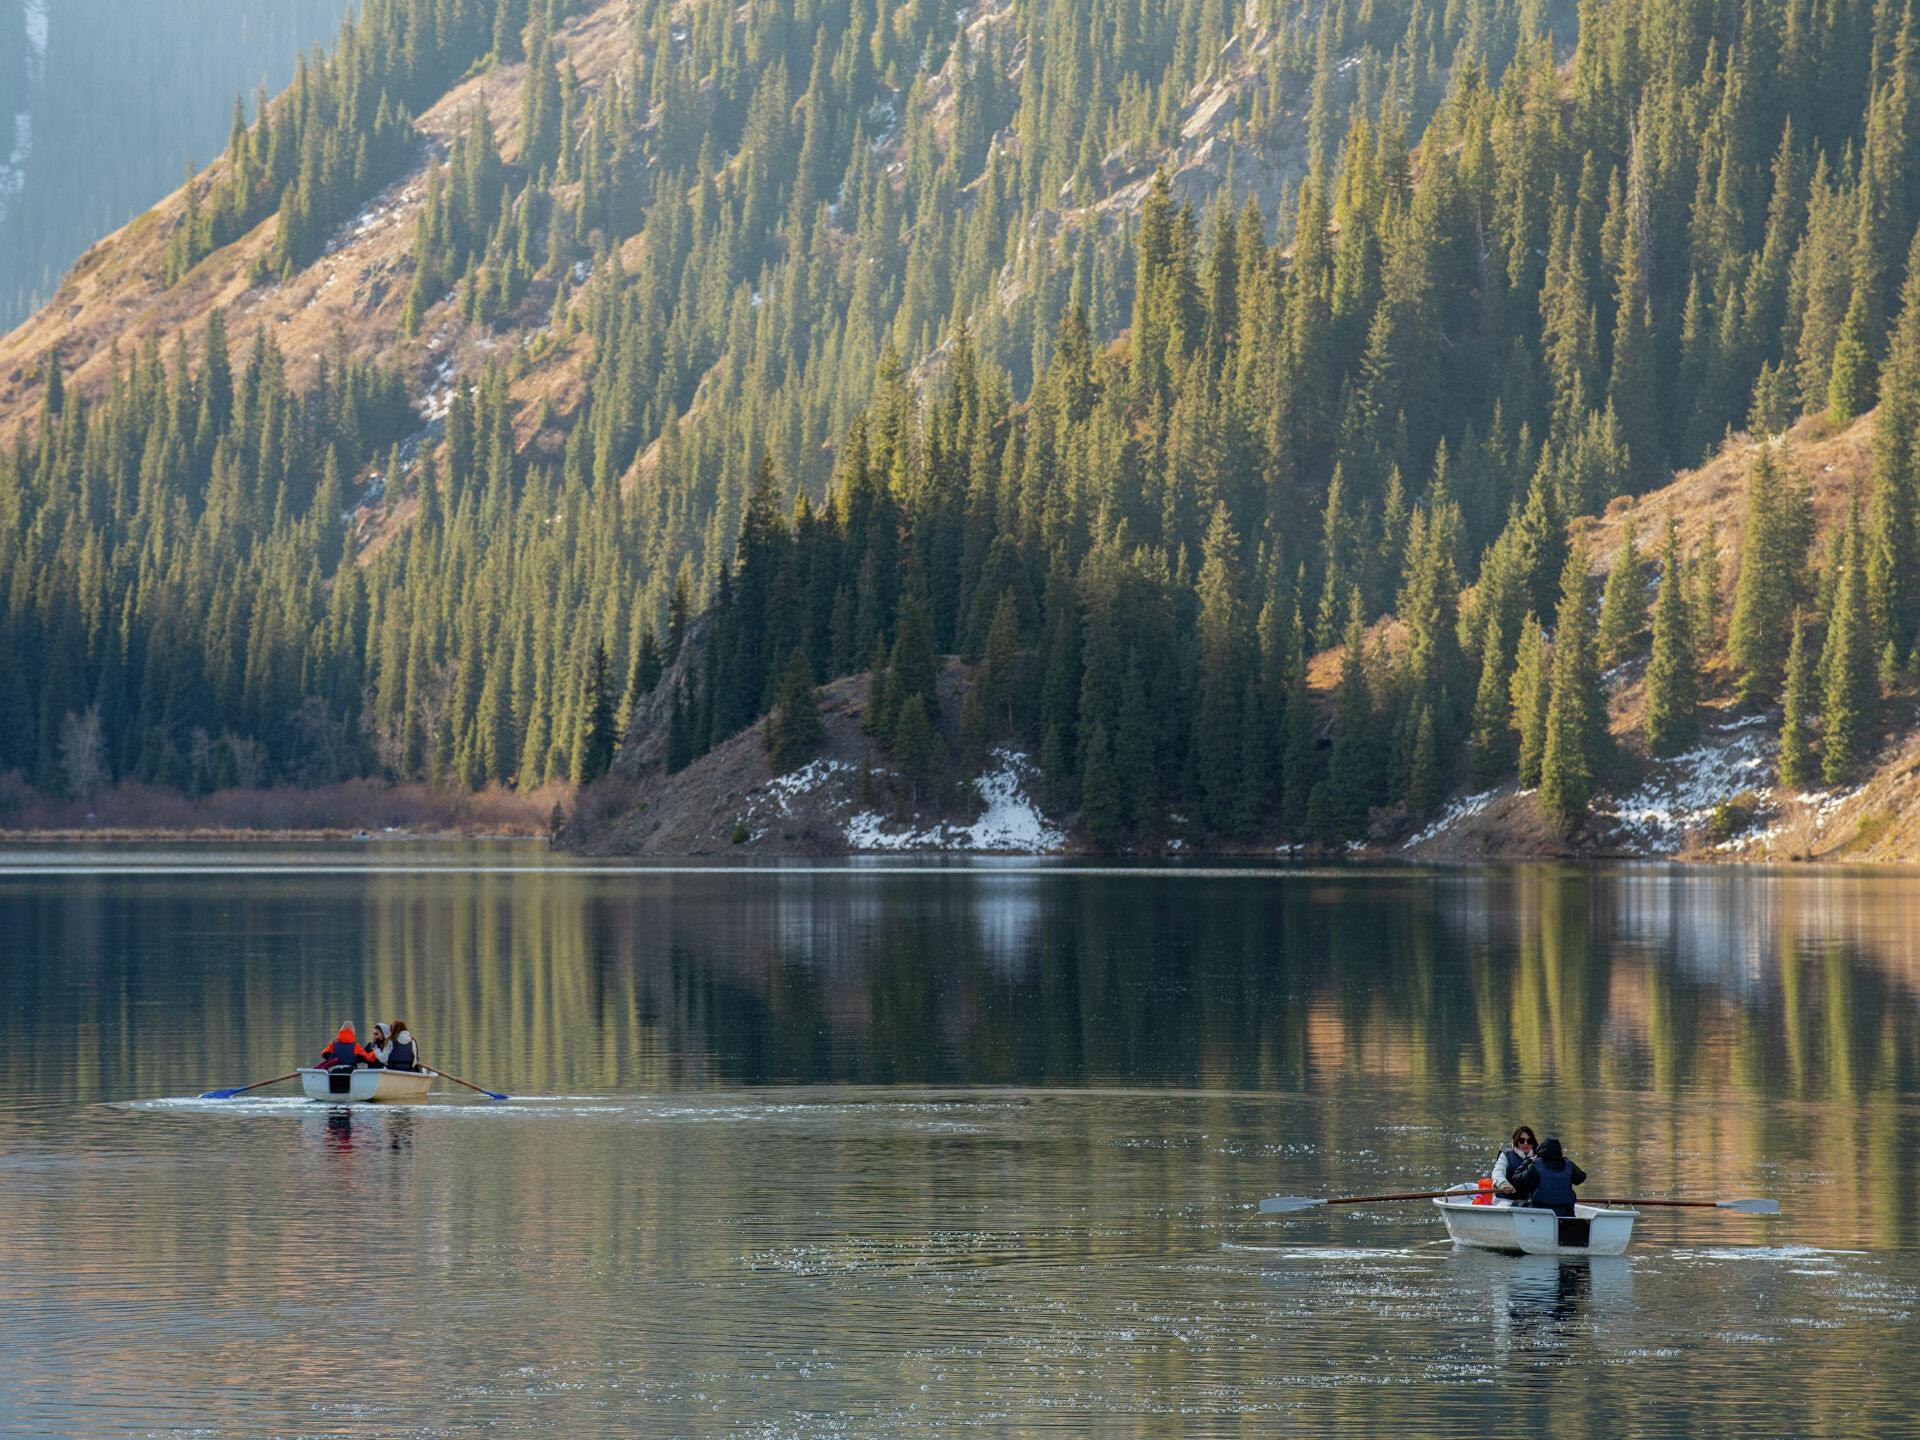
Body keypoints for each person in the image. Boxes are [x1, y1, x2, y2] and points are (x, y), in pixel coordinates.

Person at [1510, 1135, 1587, 1216]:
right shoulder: (1568, 1165)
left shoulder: (1536, 1166)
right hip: (1565, 1213)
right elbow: (1582, 1177)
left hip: (1539, 1213)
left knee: (1516, 1203)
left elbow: (1516, 1180)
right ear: (1559, 1151)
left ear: (1540, 1151)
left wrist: (1528, 1160)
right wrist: (1568, 1162)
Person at [1492, 1125, 1538, 1196]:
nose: (1525, 1143)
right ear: (1516, 1141)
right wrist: (1503, 1183)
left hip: (1529, 1200)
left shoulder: (1538, 1156)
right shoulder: (1506, 1155)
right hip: (1506, 1198)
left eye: (1529, 1141)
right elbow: (1498, 1172)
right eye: (1522, 1140)